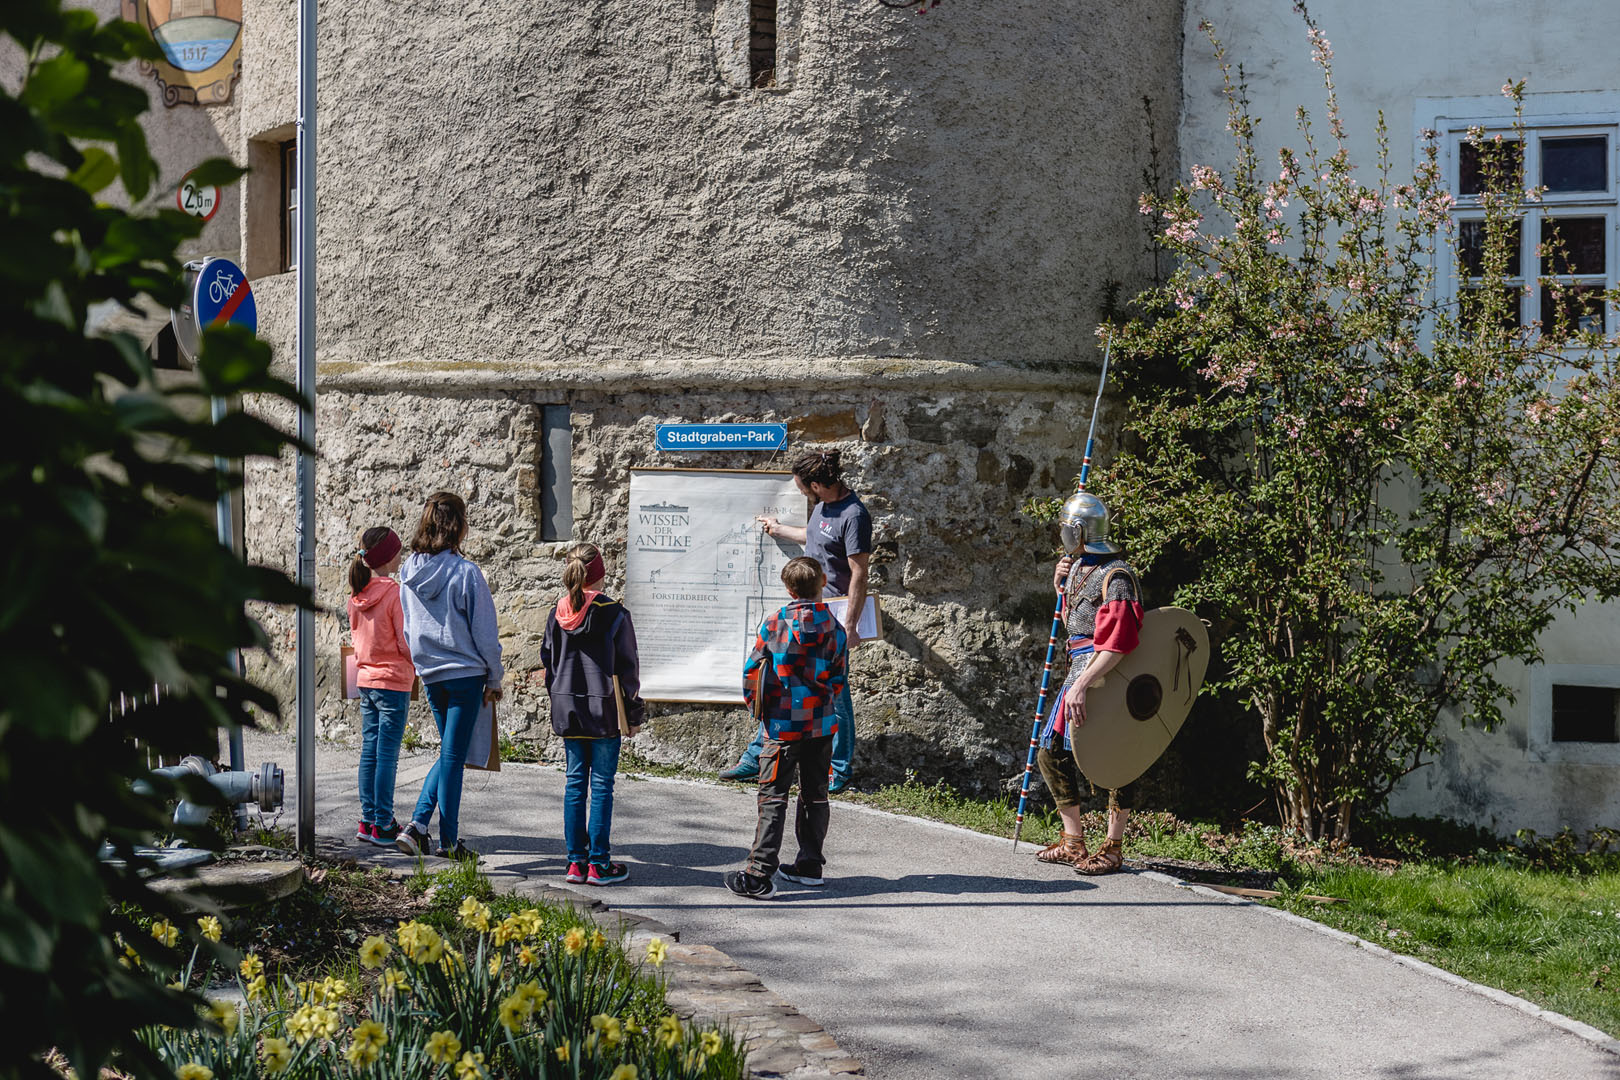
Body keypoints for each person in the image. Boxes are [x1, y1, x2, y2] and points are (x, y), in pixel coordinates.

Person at [722, 449, 870, 792]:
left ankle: (838, 769)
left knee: (837, 694)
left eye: (802, 486)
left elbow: (860, 573)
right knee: (779, 681)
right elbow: (814, 536)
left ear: (816, 484)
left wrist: (850, 626)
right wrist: (779, 530)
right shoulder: (823, 506)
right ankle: (757, 756)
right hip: (806, 612)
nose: (800, 491)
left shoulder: (854, 515)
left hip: (832, 618)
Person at [1033, 491, 1144, 876]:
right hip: (1079, 670)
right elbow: (1075, 625)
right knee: (1051, 751)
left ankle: (1113, 847)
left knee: (1117, 759)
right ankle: (1073, 841)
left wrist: (1083, 685)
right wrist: (1059, 587)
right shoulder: (1078, 566)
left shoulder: (1117, 576)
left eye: (1067, 527)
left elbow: (1120, 642)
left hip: (1107, 673)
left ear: (1080, 530)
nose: (1062, 533)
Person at [725, 556, 848, 899]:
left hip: (782, 725)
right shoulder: (835, 628)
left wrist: (758, 709)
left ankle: (759, 874)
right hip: (821, 724)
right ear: (822, 582)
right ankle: (810, 865)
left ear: (789, 590)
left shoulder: (775, 623)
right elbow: (839, 678)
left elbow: (752, 672)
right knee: (815, 795)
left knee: (773, 797)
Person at [394, 491, 503, 862]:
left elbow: (409, 628)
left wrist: (422, 662)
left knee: (449, 753)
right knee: (454, 758)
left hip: (431, 674)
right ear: (458, 526)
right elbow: (485, 632)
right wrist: (495, 677)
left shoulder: (408, 572)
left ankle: (416, 826)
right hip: (465, 674)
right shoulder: (466, 573)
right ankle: (448, 841)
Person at [540, 542, 645, 886]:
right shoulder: (614, 613)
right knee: (601, 786)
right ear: (600, 573)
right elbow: (628, 669)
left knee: (574, 784)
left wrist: (558, 698)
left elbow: (548, 663)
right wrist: (633, 713)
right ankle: (599, 864)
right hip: (604, 710)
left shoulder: (557, 613)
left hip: (568, 709)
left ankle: (575, 863)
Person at [346, 526, 414, 847]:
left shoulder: (356, 596)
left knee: (369, 751)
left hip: (366, 681)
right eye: (398, 551)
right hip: (393, 682)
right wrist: (418, 662)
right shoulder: (394, 593)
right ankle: (384, 823)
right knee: (387, 756)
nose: (401, 555)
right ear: (388, 557)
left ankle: (368, 819)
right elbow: (404, 641)